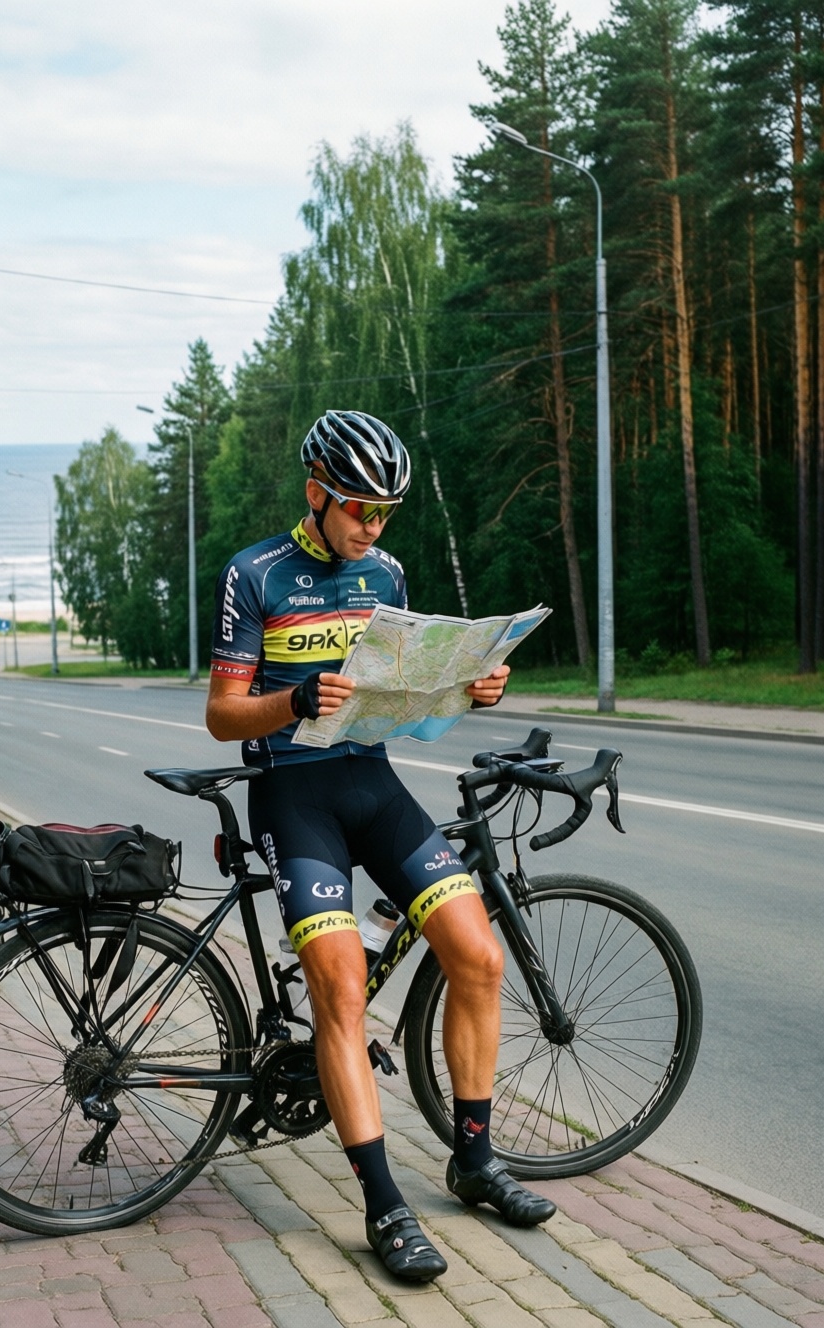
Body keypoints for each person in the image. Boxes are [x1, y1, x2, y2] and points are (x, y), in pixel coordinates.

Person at [206, 410, 555, 1282]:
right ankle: (384, 1205)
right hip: (294, 795)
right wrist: (293, 703)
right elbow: (220, 717)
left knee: (477, 957)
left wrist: (470, 693)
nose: (372, 526)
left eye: (387, 512)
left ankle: (473, 1163)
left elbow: (414, 710)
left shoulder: (385, 571)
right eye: (360, 507)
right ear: (317, 492)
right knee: (341, 983)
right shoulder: (256, 574)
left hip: (374, 784)